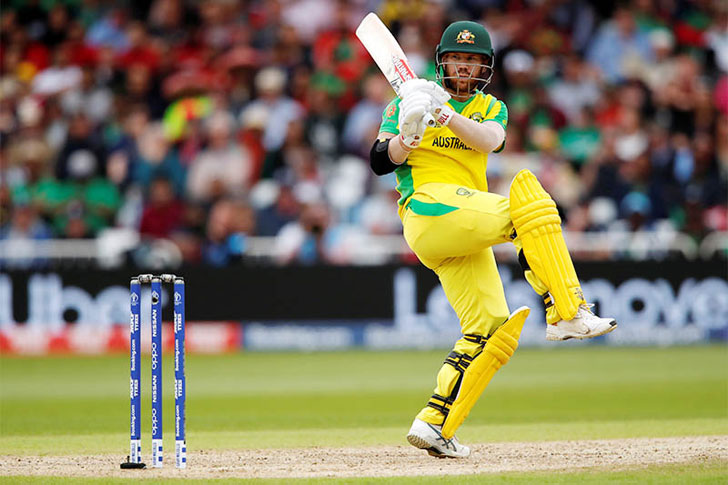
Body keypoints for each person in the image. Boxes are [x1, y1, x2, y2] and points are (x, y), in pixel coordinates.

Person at [368, 20, 617, 458]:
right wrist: (408, 134)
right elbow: (379, 160)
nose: (464, 68)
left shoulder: (489, 107)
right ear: (443, 62)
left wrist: (443, 113)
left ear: (485, 68)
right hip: (427, 209)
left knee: (490, 330)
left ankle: (435, 424)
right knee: (529, 204)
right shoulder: (404, 103)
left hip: (461, 222)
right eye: (457, 59)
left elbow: (491, 140)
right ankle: (565, 309)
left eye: (473, 60)